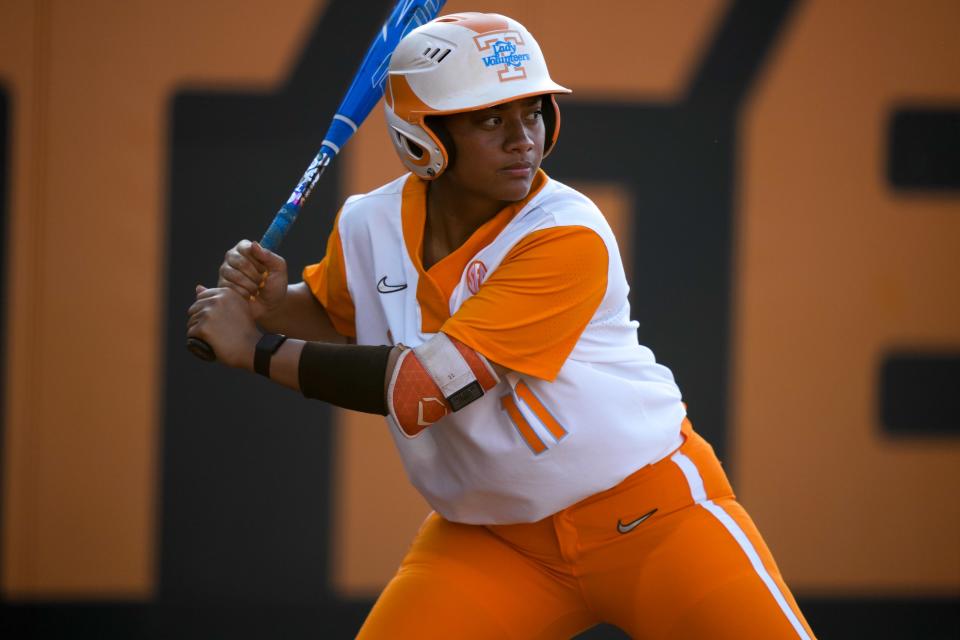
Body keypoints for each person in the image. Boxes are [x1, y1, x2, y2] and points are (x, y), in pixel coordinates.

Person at [187, 12, 815, 639]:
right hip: (492, 541)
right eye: (491, 119)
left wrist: (257, 350)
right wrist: (273, 303)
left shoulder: (567, 233)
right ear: (423, 139)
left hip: (651, 518)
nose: (524, 139)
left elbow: (424, 389)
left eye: (534, 112)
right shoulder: (368, 222)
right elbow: (342, 317)